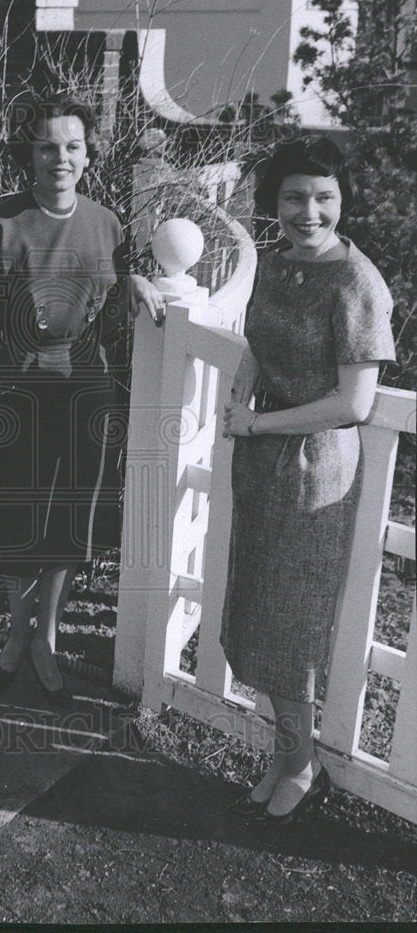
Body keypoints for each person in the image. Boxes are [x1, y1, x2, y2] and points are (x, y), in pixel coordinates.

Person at [0, 92, 164, 705]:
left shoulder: (108, 223)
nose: (59, 158)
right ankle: (16, 636)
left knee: (69, 520)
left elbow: (116, 299)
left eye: (72, 146)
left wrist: (139, 278)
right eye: (47, 146)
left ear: (88, 156)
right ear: (31, 154)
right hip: (20, 392)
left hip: (86, 391)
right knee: (20, 517)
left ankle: (47, 637)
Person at [221, 137, 395, 826]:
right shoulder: (274, 263)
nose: (308, 211)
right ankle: (286, 753)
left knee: (288, 623)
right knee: (256, 608)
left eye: (323, 197)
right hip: (262, 460)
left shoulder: (356, 283)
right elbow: (259, 343)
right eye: (294, 197)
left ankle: (297, 762)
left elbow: (352, 404)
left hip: (313, 469)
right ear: (275, 203)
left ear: (342, 201)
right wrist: (243, 387)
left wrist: (258, 426)